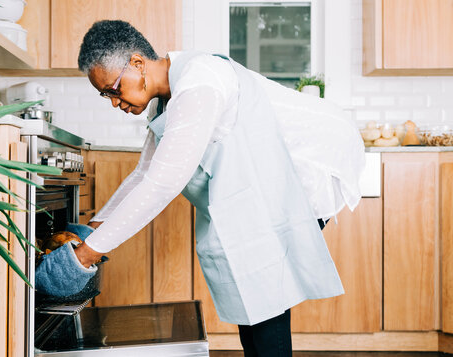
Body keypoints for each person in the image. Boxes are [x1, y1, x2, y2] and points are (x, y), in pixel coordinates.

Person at [72, 20, 365, 356]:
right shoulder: (165, 101)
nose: (113, 102)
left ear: (137, 64)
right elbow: (145, 173)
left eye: (112, 89)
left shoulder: (200, 80)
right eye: (105, 94)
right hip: (264, 180)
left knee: (265, 289)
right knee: (252, 288)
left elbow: (163, 182)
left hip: (311, 163)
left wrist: (87, 254)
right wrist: (92, 229)